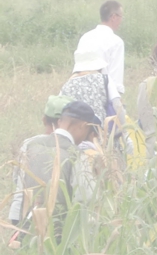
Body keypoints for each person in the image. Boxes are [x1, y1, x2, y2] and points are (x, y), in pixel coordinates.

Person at [17, 101, 100, 240]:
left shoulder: (30, 145)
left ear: (61, 121)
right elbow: (86, 200)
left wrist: (17, 227)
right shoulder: (76, 154)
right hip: (58, 236)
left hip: (27, 230)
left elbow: (19, 193)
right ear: (83, 126)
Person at [7, 95, 74, 226]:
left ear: (44, 120)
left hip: (21, 214)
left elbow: (17, 178)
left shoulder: (29, 144)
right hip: (57, 219)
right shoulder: (72, 149)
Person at [61, 48, 126, 129]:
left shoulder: (67, 85)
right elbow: (117, 105)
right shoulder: (104, 79)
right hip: (102, 134)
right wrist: (125, 131)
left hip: (75, 135)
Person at [74, 0, 125, 94]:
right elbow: (115, 80)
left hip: (80, 92)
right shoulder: (116, 42)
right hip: (102, 94)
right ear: (114, 17)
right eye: (121, 17)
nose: (121, 21)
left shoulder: (85, 37)